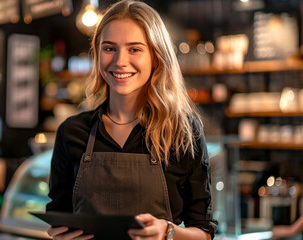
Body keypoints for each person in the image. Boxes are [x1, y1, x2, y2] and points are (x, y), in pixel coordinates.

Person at [46, 0, 218, 239]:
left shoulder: (183, 131)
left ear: (156, 57)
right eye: (109, 48)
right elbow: (59, 216)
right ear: (97, 54)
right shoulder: (72, 132)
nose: (119, 61)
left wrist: (168, 231)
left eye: (134, 49)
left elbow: (204, 231)